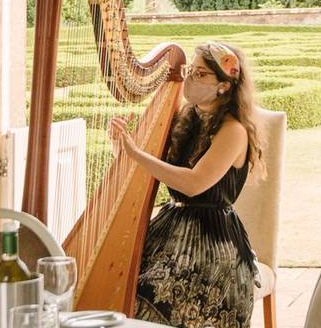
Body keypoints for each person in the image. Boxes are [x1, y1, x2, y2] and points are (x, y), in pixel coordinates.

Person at [109, 41, 264, 328]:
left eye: (201, 74)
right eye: (191, 70)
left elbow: (194, 184)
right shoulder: (187, 119)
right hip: (170, 229)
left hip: (212, 245)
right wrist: (121, 147)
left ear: (224, 86)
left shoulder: (234, 132)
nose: (190, 77)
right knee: (118, 280)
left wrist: (136, 154)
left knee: (148, 293)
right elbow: (157, 171)